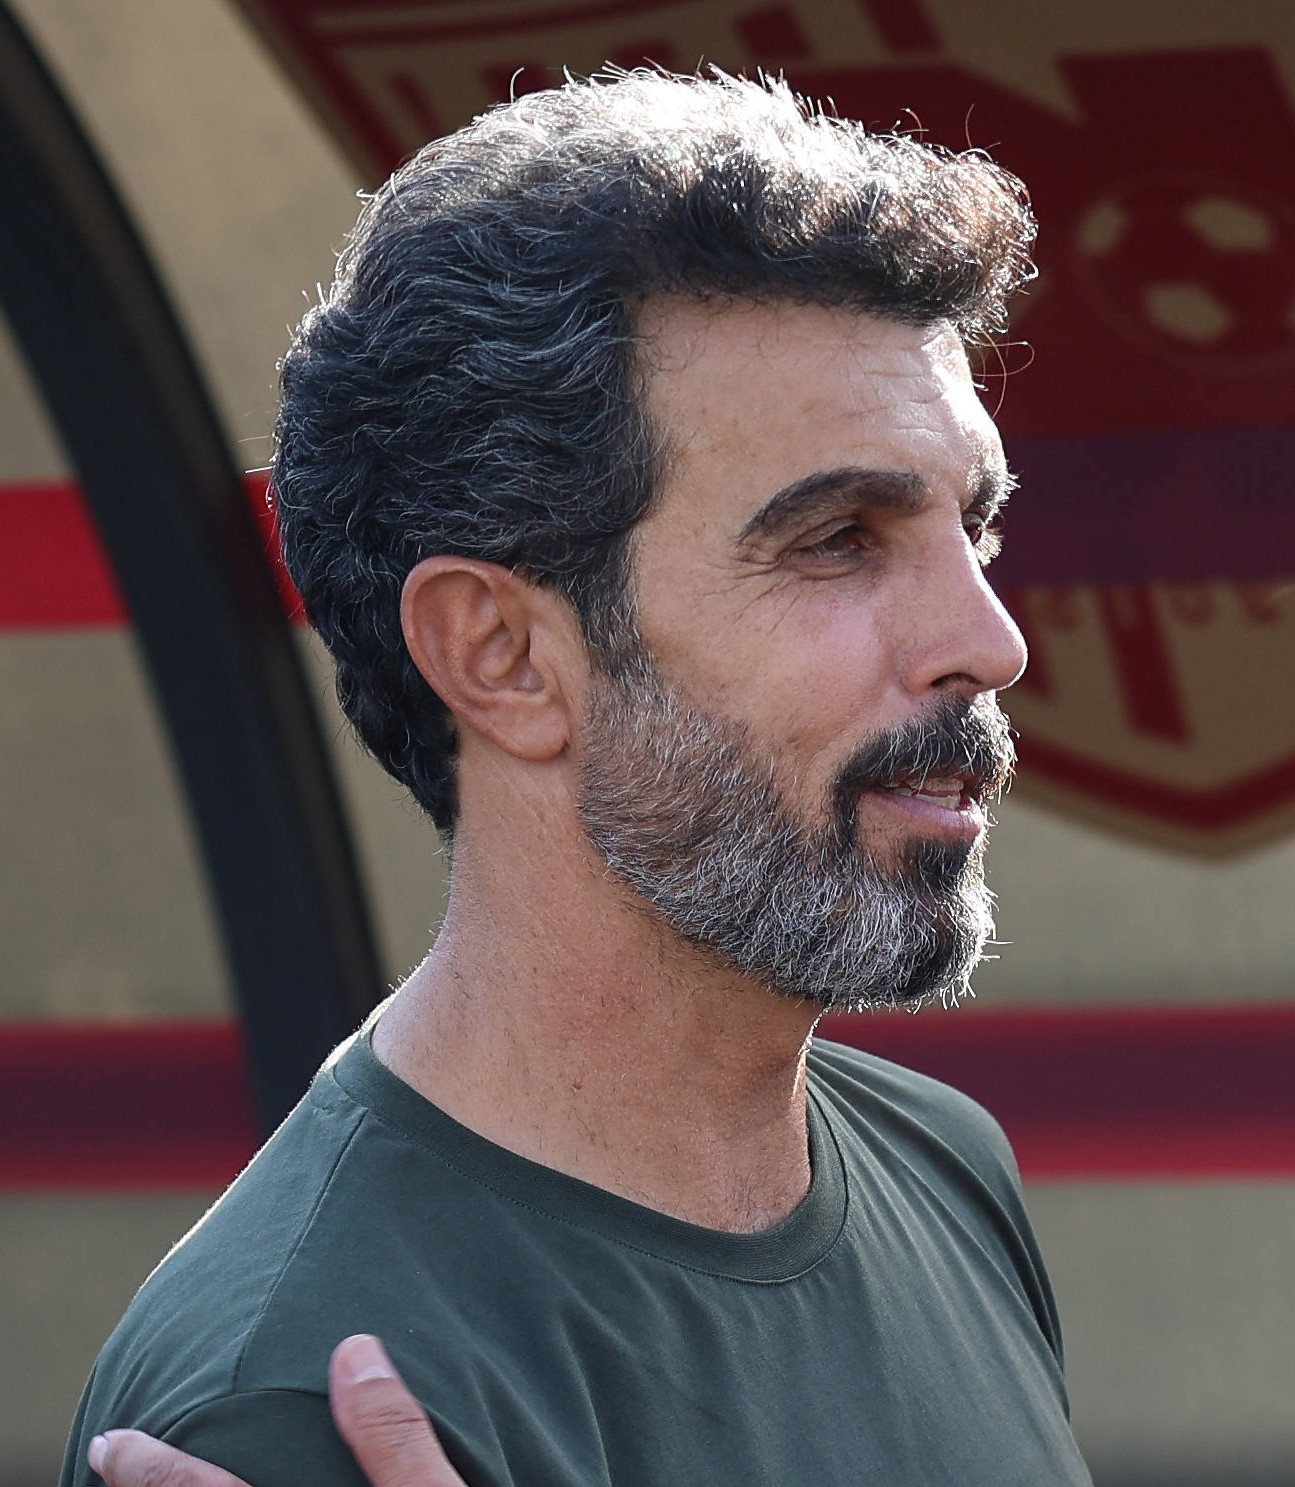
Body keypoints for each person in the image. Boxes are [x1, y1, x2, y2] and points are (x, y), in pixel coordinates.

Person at [64, 69, 1092, 1486]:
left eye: (971, 529)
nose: (990, 641)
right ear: (499, 656)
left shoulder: (943, 1167)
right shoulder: (303, 1400)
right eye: (839, 539)